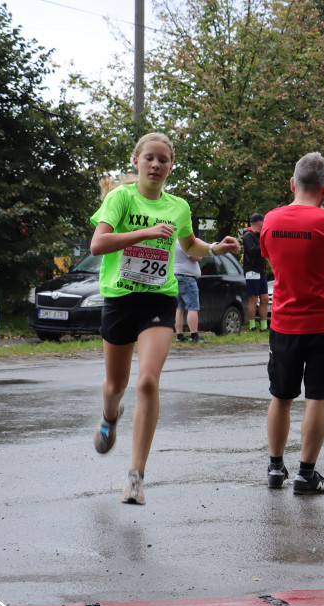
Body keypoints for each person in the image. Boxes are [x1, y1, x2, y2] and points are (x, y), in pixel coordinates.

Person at [90, 132, 240, 505]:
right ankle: (110, 416)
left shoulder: (179, 206)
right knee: (115, 385)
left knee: (147, 382)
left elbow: (189, 245)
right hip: (120, 299)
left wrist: (214, 248)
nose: (156, 165)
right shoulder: (120, 198)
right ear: (136, 162)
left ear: (171, 166)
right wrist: (146, 232)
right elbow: (98, 244)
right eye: (150, 159)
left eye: (163, 160)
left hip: (159, 298)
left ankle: (136, 477)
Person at [261, 152, 324, 495]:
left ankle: (275, 468)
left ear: (293, 183)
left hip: (284, 323)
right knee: (316, 398)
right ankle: (306, 474)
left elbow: (270, 257)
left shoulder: (271, 220)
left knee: (281, 396)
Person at [173, 232, 206, 343]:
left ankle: (179, 335)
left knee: (179, 308)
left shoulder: (173, 241)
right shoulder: (183, 242)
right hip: (187, 278)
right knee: (193, 307)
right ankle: (194, 335)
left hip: (176, 277)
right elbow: (197, 257)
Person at [243, 212, 269, 331]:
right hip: (252, 270)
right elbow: (252, 250)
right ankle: (252, 326)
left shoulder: (260, 235)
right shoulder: (248, 235)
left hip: (261, 270)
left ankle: (264, 326)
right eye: (263, 222)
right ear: (259, 222)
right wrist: (264, 246)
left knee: (264, 298)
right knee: (253, 298)